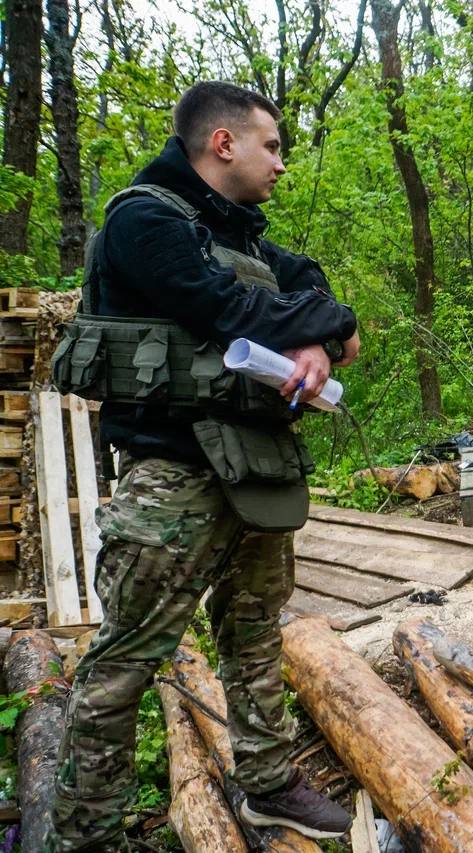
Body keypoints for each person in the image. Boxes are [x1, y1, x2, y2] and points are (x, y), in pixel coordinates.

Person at [48, 81, 359, 848]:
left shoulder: (246, 234)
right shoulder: (144, 220)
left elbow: (314, 286)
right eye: (273, 145)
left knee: (254, 629)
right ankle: (88, 831)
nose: (282, 163)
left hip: (254, 462)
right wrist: (315, 325)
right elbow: (231, 310)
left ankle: (266, 783)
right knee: (127, 657)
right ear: (224, 144)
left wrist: (321, 334)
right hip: (171, 472)